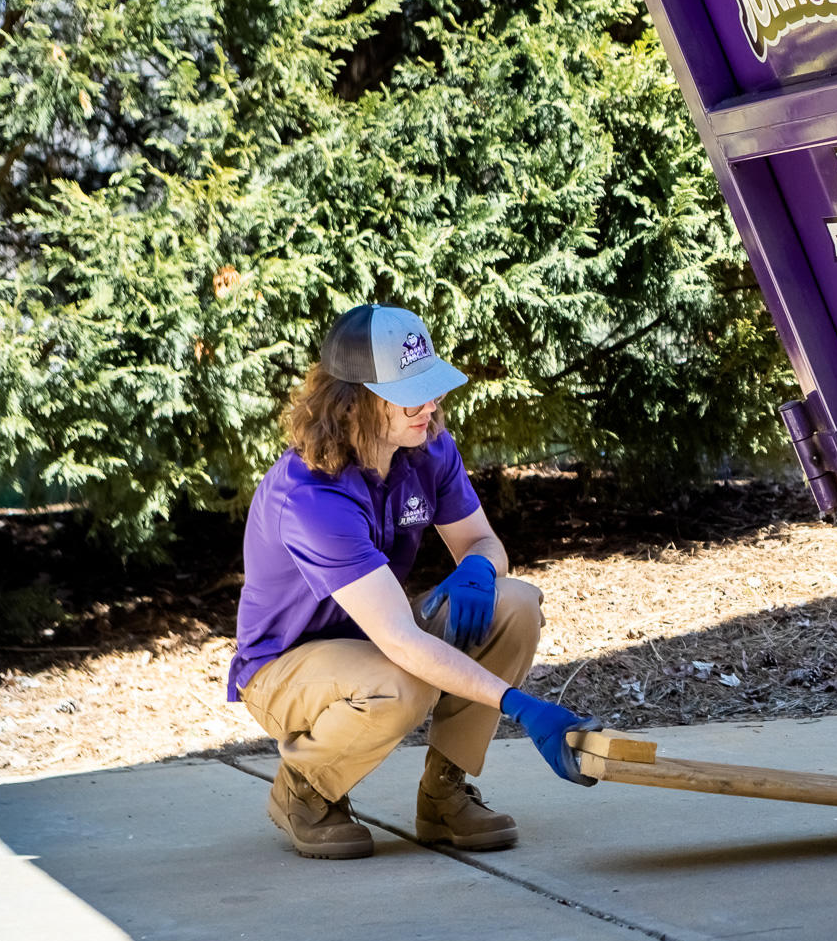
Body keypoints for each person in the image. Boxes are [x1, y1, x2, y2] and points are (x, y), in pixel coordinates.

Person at [229, 303, 595, 859]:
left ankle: (444, 794)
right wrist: (520, 705)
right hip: (286, 668)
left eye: (432, 386)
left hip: (376, 637)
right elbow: (401, 641)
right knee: (404, 682)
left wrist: (478, 568)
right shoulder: (309, 495)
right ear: (353, 403)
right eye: (410, 394)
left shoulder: (425, 448)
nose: (431, 405)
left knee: (515, 604)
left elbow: (484, 543)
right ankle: (304, 788)